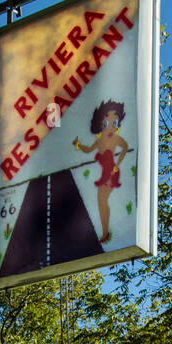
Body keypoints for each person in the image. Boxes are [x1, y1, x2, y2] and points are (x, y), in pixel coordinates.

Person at [73, 99, 128, 244]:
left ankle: (106, 233)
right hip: (106, 172)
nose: (110, 127)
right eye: (106, 124)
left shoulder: (115, 138)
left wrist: (118, 164)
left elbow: (125, 147)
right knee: (101, 201)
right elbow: (88, 150)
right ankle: (105, 232)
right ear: (100, 125)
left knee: (102, 201)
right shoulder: (101, 140)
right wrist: (78, 145)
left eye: (114, 123)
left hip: (111, 172)